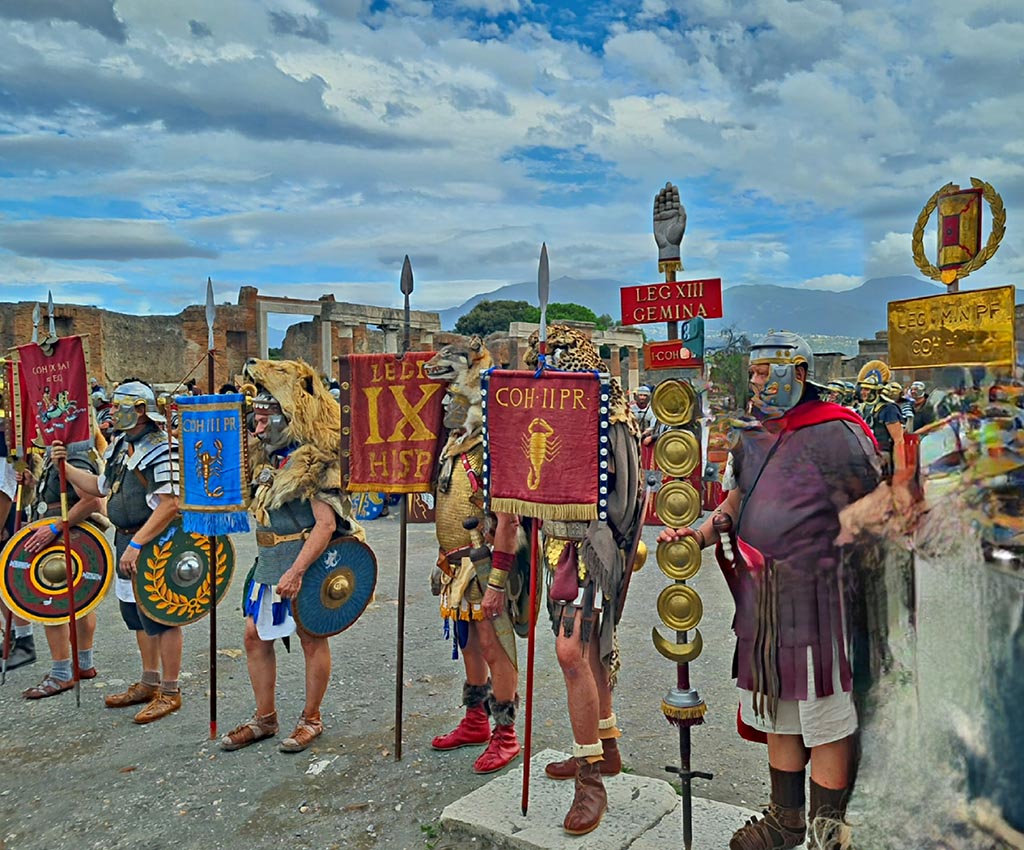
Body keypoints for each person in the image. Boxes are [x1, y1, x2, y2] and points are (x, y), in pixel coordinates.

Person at [658, 332, 881, 850]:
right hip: (765, 599)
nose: (757, 382)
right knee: (779, 710)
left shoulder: (840, 432)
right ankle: (786, 822)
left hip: (824, 600)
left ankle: (827, 835)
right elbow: (733, 504)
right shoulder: (752, 434)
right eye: (753, 373)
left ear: (799, 372)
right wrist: (695, 535)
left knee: (826, 720)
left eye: (767, 372)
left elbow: (873, 516)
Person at [523, 324, 643, 836]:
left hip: (590, 547)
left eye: (555, 356)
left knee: (571, 653)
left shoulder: (609, 408)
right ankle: (603, 746)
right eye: (540, 357)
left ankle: (590, 781)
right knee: (588, 654)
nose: (545, 365)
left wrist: (602, 541)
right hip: (553, 545)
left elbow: (628, 492)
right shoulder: (536, 406)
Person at [221, 375, 361, 754]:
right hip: (269, 562)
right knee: (254, 635)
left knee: (311, 638)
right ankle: (265, 718)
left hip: (306, 564)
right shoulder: (262, 457)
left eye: (265, 420)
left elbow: (325, 524)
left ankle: (311, 718)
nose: (258, 428)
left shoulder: (316, 461)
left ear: (287, 419)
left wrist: (297, 570)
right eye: (255, 419)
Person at [56, 379, 183, 724]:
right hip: (126, 541)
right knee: (137, 616)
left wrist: (139, 543)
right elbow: (99, 487)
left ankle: (170, 690)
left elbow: (170, 504)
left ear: (140, 410)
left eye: (119, 405)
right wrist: (65, 467)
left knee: (162, 617)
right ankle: (149, 681)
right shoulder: (119, 446)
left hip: (155, 545)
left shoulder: (163, 448)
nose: (112, 411)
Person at [424, 337, 522, 774]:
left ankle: (505, 733)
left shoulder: (493, 448)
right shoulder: (454, 446)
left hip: (485, 565)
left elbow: (509, 520)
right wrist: (441, 556)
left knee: (494, 645)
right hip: (456, 565)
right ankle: (475, 720)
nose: (447, 407)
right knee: (468, 643)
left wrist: (498, 581)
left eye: (454, 400)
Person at [16, 440, 106, 698]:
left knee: (51, 603)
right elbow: (59, 493)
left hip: (65, 536)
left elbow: (91, 501)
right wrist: (33, 483)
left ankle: (61, 673)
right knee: (80, 602)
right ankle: (83, 664)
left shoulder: (73, 453)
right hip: (63, 535)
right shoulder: (61, 450)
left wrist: (55, 527)